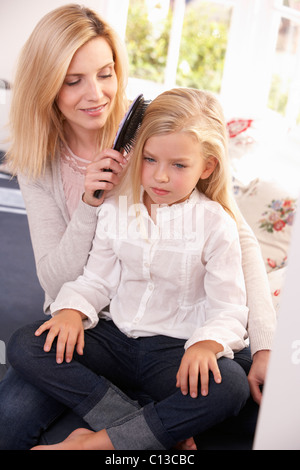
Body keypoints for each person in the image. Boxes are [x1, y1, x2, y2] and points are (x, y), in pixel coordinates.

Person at [0, 3, 275, 450]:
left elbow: (237, 237)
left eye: (105, 73)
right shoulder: (39, 161)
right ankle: (137, 428)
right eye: (73, 80)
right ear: (46, 84)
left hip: (173, 328)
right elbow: (63, 279)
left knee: (240, 400)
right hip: (93, 320)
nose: (96, 94)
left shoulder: (153, 132)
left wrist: (264, 346)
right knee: (10, 413)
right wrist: (91, 204)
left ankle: (113, 435)